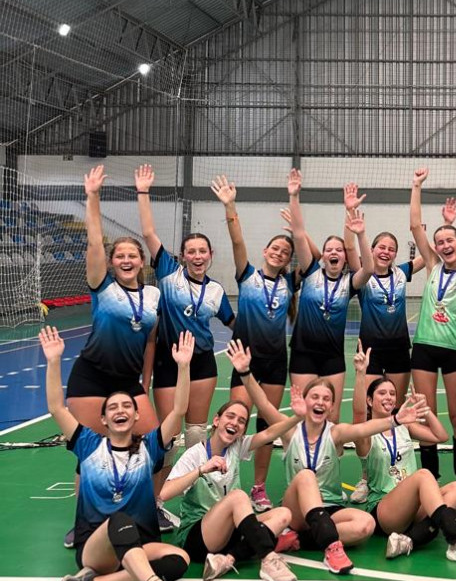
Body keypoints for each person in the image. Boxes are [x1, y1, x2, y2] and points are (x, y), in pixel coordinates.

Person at [45, 325, 192, 581]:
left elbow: (178, 411)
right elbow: (57, 407)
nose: (120, 410)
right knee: (120, 520)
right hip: (95, 548)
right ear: (103, 418)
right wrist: (53, 361)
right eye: (113, 407)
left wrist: (184, 367)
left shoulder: (149, 447)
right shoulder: (87, 444)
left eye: (127, 405)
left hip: (137, 542)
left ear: (137, 415)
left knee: (180, 560)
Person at [63, 165, 161, 549]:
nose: (125, 260)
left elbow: (150, 343)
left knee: (156, 446)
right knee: (90, 457)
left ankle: (148, 506)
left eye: (131, 255)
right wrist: (92, 197)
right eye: (118, 255)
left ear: (141, 262)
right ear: (112, 261)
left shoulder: (152, 297)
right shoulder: (100, 287)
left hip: (129, 380)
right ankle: (85, 523)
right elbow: (93, 244)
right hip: (91, 376)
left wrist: (146, 384)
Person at [136, 164, 234, 526]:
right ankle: (155, 502)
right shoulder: (168, 275)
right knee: (167, 435)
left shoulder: (217, 291)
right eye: (190, 251)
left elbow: (236, 323)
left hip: (204, 361)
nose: (197, 256)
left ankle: (197, 499)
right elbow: (148, 231)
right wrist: (144, 191)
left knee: (197, 433)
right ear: (181, 255)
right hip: (168, 360)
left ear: (210, 256)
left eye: (202, 251)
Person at [161, 340, 304, 581]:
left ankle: (226, 560)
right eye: (230, 417)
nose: (235, 423)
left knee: (283, 514)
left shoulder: (237, 447)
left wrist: (298, 417)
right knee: (239, 496)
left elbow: (270, 434)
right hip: (198, 536)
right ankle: (268, 560)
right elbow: (164, 492)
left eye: (241, 421)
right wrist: (200, 470)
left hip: (228, 533)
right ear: (216, 421)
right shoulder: (196, 454)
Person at [279, 343, 431, 573]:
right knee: (306, 476)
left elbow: (362, 427)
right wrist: (245, 374)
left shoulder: (335, 433)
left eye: (326, 398)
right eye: (314, 397)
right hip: (298, 510)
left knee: (364, 525)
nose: (319, 402)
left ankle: (299, 540)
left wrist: (397, 419)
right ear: (304, 401)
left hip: (330, 507)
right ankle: (329, 546)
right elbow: (263, 407)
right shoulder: (291, 431)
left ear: (331, 407)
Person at [210, 170, 297, 515]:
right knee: (236, 420)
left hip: (275, 362)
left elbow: (307, 250)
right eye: (275, 248)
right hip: (244, 359)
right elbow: (236, 242)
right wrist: (230, 205)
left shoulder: (290, 283)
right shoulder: (247, 276)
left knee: (268, 425)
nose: (279, 253)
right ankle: (223, 481)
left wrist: (296, 206)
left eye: (285, 251)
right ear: (265, 251)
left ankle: (258, 487)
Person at [353, 363, 456, 564]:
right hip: (386, 509)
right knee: (424, 475)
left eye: (392, 393)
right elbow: (358, 415)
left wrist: (425, 410)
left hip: (413, 505)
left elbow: (440, 436)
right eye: (382, 393)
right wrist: (360, 373)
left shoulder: (404, 427)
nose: (389, 397)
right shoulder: (366, 434)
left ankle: (409, 540)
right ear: (369, 400)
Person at [408, 168, 456, 479]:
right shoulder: (432, 266)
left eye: (448, 240)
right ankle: (430, 476)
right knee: (427, 414)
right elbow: (415, 226)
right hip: (425, 348)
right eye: (439, 242)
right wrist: (417, 186)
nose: (443, 245)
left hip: (455, 349)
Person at [283, 174, 373, 419]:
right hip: (303, 354)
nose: (334, 252)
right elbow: (299, 235)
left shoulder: (349, 282)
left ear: (344, 257)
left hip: (333, 357)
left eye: (339, 250)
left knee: (331, 418)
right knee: (303, 415)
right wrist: (294, 196)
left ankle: (329, 458)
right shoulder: (311, 272)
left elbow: (369, 269)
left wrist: (358, 229)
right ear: (322, 256)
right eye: (328, 250)